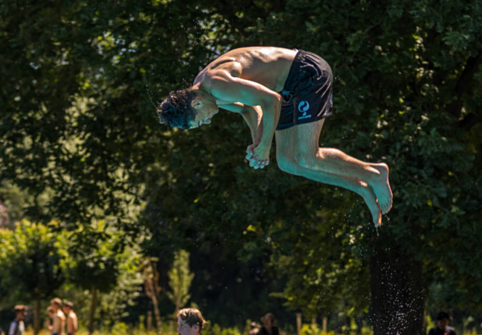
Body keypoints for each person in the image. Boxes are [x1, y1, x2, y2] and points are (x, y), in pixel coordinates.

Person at [157, 47, 393, 226]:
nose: (207, 122)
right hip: (286, 89)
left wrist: (264, 146)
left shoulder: (217, 85)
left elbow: (271, 101)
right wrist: (258, 143)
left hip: (306, 74)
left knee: (307, 156)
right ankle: (360, 186)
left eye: (201, 120)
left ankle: (374, 172)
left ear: (196, 104)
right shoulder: (208, 93)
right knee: (287, 162)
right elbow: (249, 109)